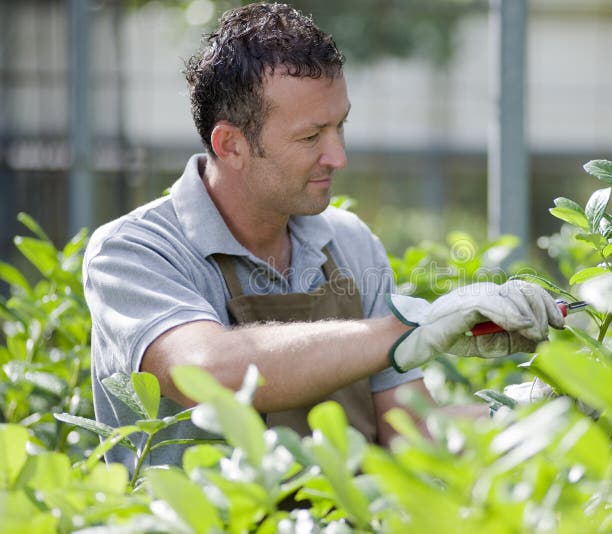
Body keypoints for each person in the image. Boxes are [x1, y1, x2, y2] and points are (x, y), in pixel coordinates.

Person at [83, 2, 564, 474]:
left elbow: (411, 436)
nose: (338, 156)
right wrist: (408, 331)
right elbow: (204, 370)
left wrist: (532, 413)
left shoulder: (351, 244)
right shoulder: (134, 252)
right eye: (311, 137)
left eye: (340, 127)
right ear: (231, 145)